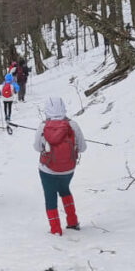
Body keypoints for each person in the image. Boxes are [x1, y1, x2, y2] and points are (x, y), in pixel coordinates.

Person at [33, 96, 87, 235]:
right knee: (65, 190)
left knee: (50, 196)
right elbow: (82, 147)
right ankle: (73, 222)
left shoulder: (43, 126)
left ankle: (56, 229)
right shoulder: (72, 125)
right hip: (68, 169)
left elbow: (37, 148)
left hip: (47, 170)